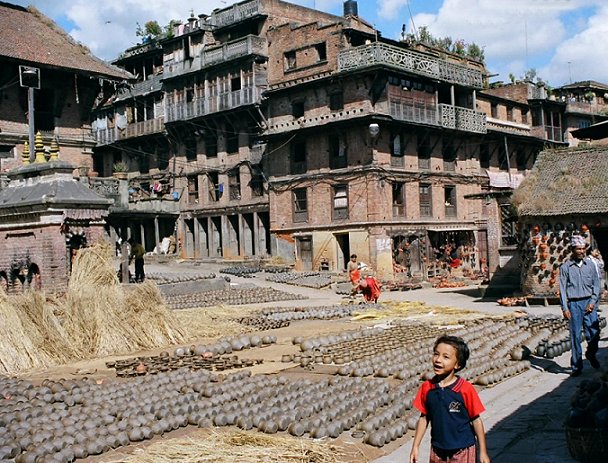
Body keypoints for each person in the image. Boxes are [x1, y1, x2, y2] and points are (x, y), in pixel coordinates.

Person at [409, 335, 490, 463]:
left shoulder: (465, 389)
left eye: (445, 357)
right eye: (436, 354)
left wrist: (483, 451)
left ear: (457, 364)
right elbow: (424, 418)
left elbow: (476, 420)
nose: (438, 360)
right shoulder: (427, 388)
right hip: (437, 449)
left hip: (462, 449)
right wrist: (415, 446)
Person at [559, 235, 601, 376]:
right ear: (572, 250)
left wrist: (593, 302)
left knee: (594, 334)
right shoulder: (565, 267)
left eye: (583, 249)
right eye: (579, 249)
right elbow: (563, 289)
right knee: (575, 336)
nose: (582, 251)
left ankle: (591, 354)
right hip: (574, 304)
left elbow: (596, 284)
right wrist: (565, 308)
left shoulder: (590, 265)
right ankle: (577, 366)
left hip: (589, 303)